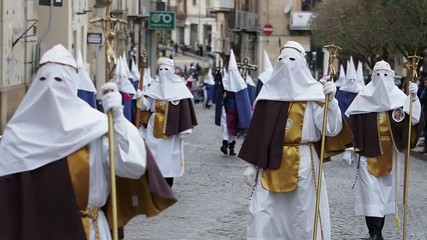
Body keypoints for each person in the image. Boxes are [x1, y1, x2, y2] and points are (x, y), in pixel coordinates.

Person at [0, 44, 149, 240]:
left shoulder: (95, 128)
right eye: (44, 79)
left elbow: (133, 168)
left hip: (88, 230)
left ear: (72, 83)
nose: (51, 87)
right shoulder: (16, 135)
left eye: (59, 79)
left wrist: (119, 122)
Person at [238, 41, 353, 240]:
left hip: (306, 163)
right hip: (271, 163)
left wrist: (331, 103)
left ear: (301, 64)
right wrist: (250, 164)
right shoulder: (269, 95)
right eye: (282, 60)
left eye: (292, 59)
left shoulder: (315, 93)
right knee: (264, 213)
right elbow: (257, 132)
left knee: (303, 216)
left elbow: (331, 129)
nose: (286, 64)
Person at [345, 60, 424, 240]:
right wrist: (350, 147)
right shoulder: (363, 98)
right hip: (367, 153)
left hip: (391, 154)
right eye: (378, 75)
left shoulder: (399, 99)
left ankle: (378, 229)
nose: (381, 79)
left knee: (384, 193)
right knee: (370, 192)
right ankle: (374, 232)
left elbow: (413, 121)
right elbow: (353, 124)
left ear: (391, 76)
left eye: (385, 75)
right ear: (372, 76)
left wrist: (413, 99)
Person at [138, 57, 198, 188]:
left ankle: (167, 182)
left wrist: (185, 129)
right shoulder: (153, 87)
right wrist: (140, 98)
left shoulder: (179, 89)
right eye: (161, 69)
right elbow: (146, 107)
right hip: (153, 128)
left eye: (166, 69)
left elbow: (184, 111)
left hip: (171, 128)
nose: (163, 72)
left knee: (168, 157)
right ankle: (153, 181)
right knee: (153, 154)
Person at [215, 50, 252, 156]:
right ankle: (227, 144)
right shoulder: (231, 81)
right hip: (229, 108)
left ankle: (229, 145)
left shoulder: (235, 81)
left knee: (230, 126)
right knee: (227, 125)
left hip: (234, 109)